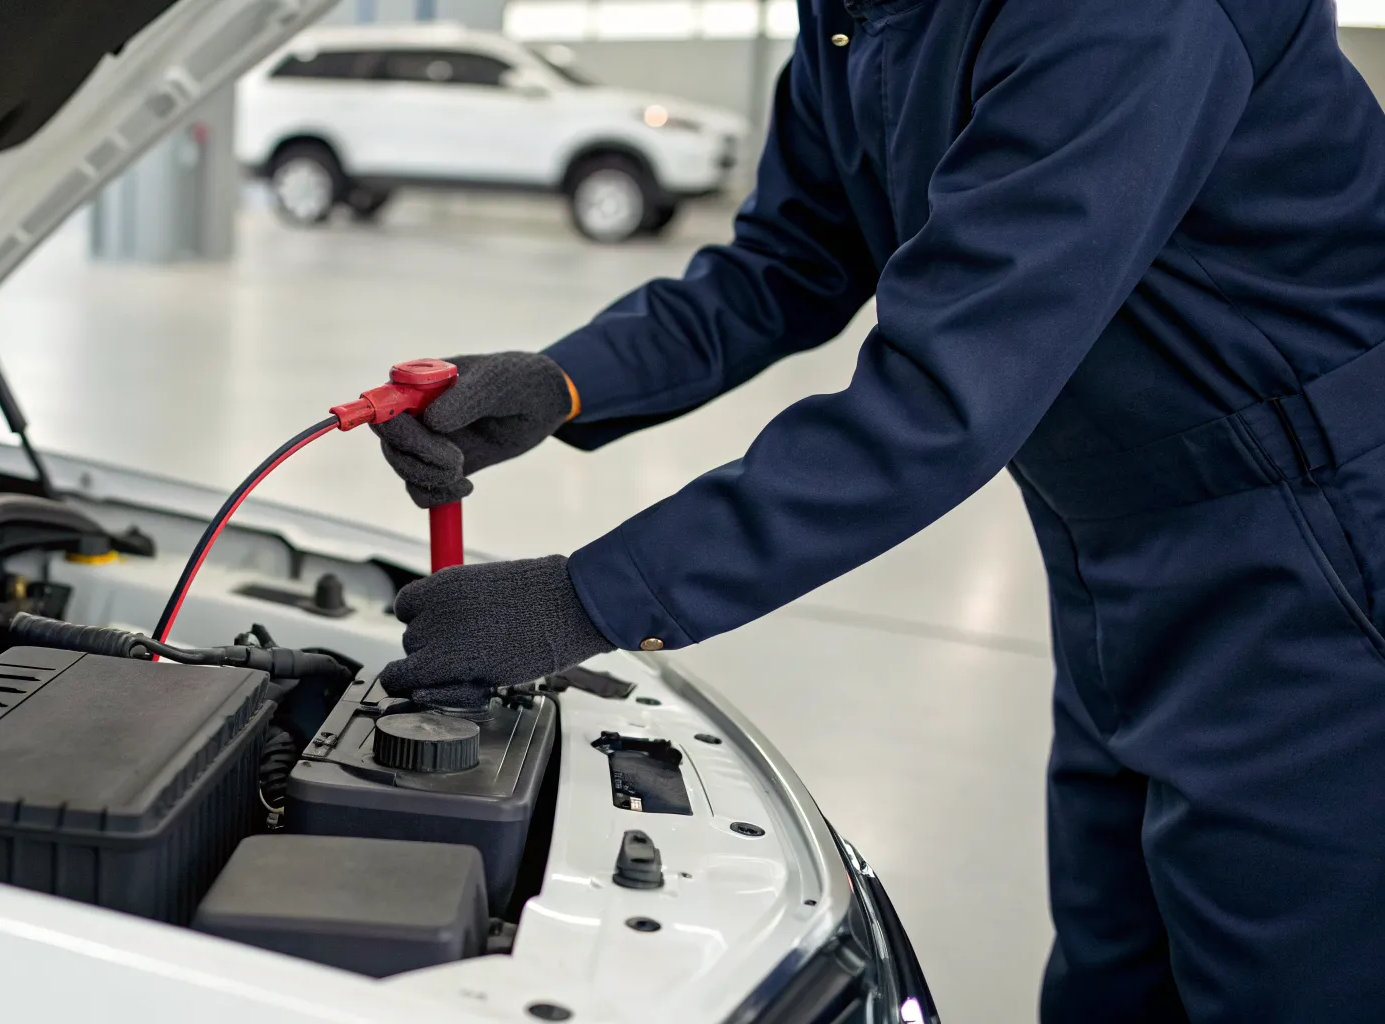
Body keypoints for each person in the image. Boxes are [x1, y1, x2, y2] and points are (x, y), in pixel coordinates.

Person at [368, 0, 1385, 1019]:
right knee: (1113, 960)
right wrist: (562, 380)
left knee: (1282, 972)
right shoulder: (858, 13)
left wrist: (583, 595)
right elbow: (787, 259)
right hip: (1107, 544)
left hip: (1309, 541)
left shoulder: (1125, 15)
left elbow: (946, 391)